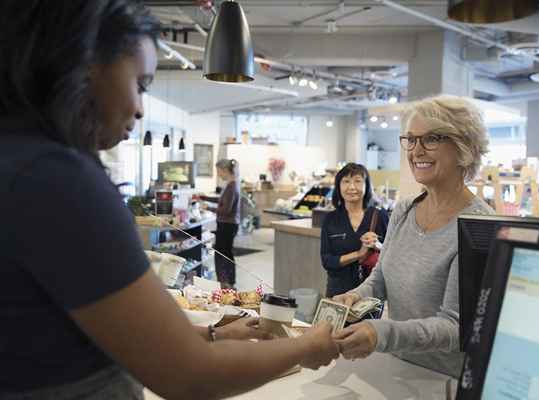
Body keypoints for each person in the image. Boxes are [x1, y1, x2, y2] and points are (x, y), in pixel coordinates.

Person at [0, 1, 338, 399]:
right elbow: (190, 375)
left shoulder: (19, 159)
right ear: (85, 62)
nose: (141, 109)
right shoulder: (56, 179)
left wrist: (210, 333)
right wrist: (308, 345)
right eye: (140, 84)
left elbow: (84, 324)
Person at [332, 95, 494, 378]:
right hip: (394, 367)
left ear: (464, 146)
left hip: (441, 380)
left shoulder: (478, 226)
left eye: (431, 139)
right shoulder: (405, 209)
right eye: (411, 139)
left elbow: (455, 326)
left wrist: (380, 332)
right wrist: (354, 296)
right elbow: (380, 278)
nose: (416, 150)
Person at [320, 163, 389, 297]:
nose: (352, 187)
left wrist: (377, 246)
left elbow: (392, 253)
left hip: (370, 292)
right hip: (337, 291)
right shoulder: (331, 219)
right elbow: (327, 261)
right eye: (346, 181)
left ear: (366, 185)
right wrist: (359, 253)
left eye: (358, 181)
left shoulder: (379, 215)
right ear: (339, 186)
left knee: (369, 319)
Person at [204, 159, 241, 288]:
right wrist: (204, 198)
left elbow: (226, 210)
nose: (219, 174)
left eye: (219, 171)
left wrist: (207, 208)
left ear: (225, 170)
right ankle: (228, 281)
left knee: (222, 254)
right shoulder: (232, 185)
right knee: (226, 253)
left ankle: (226, 283)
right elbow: (222, 201)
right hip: (228, 224)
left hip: (227, 225)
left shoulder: (232, 186)